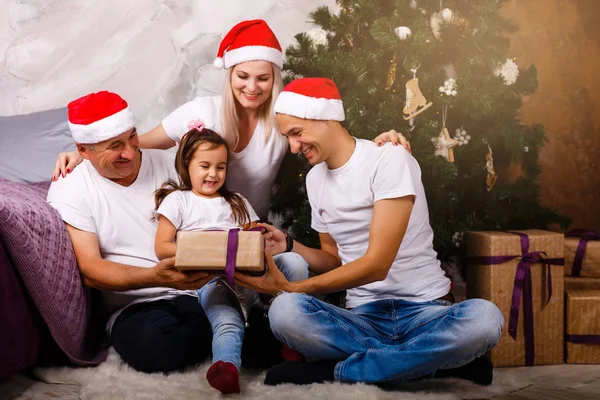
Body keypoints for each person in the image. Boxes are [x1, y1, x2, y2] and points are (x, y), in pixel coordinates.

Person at [235, 78, 505, 387]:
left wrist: (296, 287)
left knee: (485, 320)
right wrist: (290, 244)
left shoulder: (389, 159)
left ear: (327, 118)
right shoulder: (315, 180)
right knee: (285, 312)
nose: (294, 147)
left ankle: (337, 372)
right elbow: (335, 259)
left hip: (426, 312)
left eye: (297, 133)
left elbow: (378, 265)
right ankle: (430, 363)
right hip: (363, 318)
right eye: (288, 138)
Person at [46, 91, 305, 374]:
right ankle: (239, 339)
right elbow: (91, 270)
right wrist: (155, 276)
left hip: (200, 290)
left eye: (133, 136)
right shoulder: (71, 187)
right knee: (159, 347)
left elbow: (213, 199)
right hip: (137, 303)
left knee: (248, 336)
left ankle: (252, 338)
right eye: (115, 146)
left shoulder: (169, 163)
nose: (131, 152)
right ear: (84, 150)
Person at [51, 19, 410, 222]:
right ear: (230, 76)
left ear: (274, 79)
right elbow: (137, 143)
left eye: (262, 78)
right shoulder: (201, 112)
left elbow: (331, 134)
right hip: (198, 224)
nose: (252, 87)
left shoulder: (282, 121)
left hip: (252, 226)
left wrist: (383, 141)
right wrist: (82, 154)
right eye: (243, 77)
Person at [153, 123, 307, 394]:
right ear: (187, 164)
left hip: (253, 277)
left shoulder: (236, 201)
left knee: (294, 263)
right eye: (205, 166)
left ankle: (291, 337)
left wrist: (258, 237)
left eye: (220, 167)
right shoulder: (178, 201)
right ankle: (226, 367)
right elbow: (163, 248)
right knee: (226, 318)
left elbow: (255, 238)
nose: (213, 174)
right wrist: (210, 251)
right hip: (212, 280)